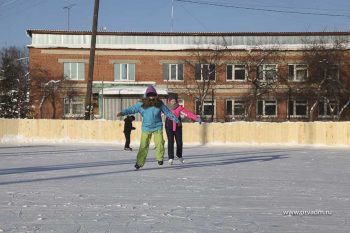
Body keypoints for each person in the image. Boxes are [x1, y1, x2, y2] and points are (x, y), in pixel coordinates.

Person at [117, 85, 180, 169]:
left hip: (157, 126)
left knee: (160, 142)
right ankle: (139, 162)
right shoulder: (141, 104)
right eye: (149, 95)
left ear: (155, 95)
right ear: (146, 95)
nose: (151, 97)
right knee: (144, 145)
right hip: (146, 128)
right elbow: (131, 109)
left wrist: (176, 120)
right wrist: (123, 112)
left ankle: (160, 158)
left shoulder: (159, 104)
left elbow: (168, 112)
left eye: (153, 95)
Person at [165, 93, 202, 165]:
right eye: (172, 100)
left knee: (179, 142)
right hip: (169, 125)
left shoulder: (179, 108)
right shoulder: (166, 108)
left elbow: (187, 113)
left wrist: (196, 118)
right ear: (169, 101)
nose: (173, 102)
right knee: (170, 142)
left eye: (175, 100)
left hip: (178, 126)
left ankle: (179, 156)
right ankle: (171, 158)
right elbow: (157, 113)